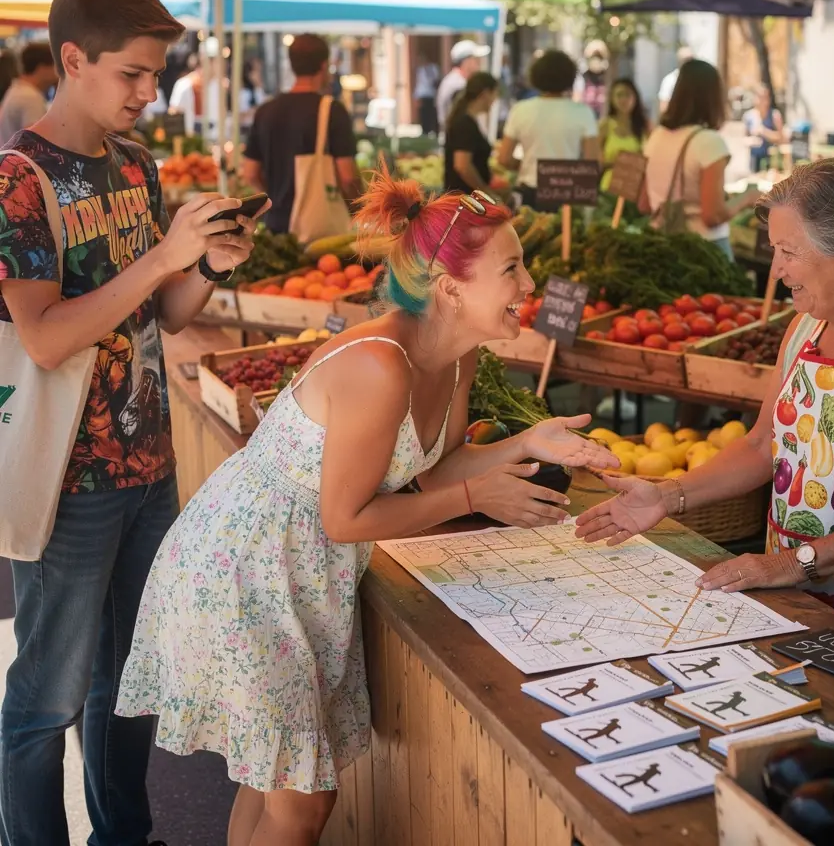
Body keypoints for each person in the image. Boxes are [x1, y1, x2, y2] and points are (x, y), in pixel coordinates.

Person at [115, 173, 618, 846]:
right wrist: (474, 496)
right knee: (303, 807)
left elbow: (430, 464)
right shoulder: (381, 366)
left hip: (296, 572)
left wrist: (526, 441)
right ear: (451, 289)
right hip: (244, 573)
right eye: (513, 268)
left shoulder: (458, 358)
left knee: (274, 787)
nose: (530, 284)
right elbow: (345, 519)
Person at [0, 0, 265, 846]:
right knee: (48, 697)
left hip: (150, 464)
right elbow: (45, 338)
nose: (151, 94)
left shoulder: (138, 166)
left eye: (156, 75)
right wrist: (161, 259)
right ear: (73, 59)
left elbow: (162, 317)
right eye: (133, 75)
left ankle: (124, 835)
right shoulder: (18, 180)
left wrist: (209, 264)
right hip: (67, 481)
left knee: (132, 684)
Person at [577, 159, 834, 677]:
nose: (776, 269)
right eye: (775, 250)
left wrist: (793, 563)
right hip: (804, 595)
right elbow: (762, 443)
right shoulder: (806, 328)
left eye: (790, 252)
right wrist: (669, 494)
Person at [242, 34, 359, 235]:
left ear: (292, 65)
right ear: (324, 66)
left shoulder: (265, 111)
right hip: (321, 230)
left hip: (277, 227)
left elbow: (250, 173)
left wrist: (275, 199)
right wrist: (360, 208)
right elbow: (347, 177)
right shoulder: (332, 111)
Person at [642, 59, 758, 258]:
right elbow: (712, 215)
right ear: (713, 98)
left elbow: (644, 203)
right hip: (704, 249)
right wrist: (747, 199)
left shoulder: (656, 137)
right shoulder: (709, 142)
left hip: (661, 245)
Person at [497, 50, 600, 209]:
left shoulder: (520, 110)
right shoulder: (583, 113)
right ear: (570, 77)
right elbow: (593, 163)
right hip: (569, 193)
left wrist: (528, 165)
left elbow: (503, 158)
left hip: (529, 193)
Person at [444, 71, 499, 194]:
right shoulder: (464, 124)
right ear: (485, 94)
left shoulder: (467, 121)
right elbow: (462, 166)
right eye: (495, 94)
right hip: (464, 200)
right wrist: (485, 192)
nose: (495, 100)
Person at [0, 42, 58, 145]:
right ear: (42, 68)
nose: (59, 72)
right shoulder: (30, 98)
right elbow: (37, 144)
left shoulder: (17, 89)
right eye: (56, 65)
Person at [598, 77, 650, 191]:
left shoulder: (645, 126)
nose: (624, 99)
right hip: (609, 185)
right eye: (619, 95)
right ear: (612, 99)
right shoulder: (605, 126)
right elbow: (596, 161)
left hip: (637, 186)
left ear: (635, 98)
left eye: (627, 95)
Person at [436, 40, 490, 128]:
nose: (480, 62)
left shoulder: (458, 81)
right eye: (476, 59)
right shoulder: (458, 85)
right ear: (466, 62)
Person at [743, 83, 786, 173]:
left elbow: (782, 138)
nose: (762, 101)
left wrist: (764, 132)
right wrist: (750, 141)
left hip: (772, 161)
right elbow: (744, 138)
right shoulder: (748, 116)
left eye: (765, 97)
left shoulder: (775, 115)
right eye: (760, 97)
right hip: (754, 160)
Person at [577, 39, 610, 119]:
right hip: (585, 115)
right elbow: (578, 97)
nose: (596, 60)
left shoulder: (607, 76)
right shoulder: (583, 76)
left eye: (599, 57)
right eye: (593, 57)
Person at [658, 46, 694, 117]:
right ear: (679, 61)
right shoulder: (670, 80)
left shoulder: (698, 80)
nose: (689, 62)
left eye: (691, 60)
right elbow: (663, 107)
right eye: (686, 59)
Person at [414, 52, 441, 134]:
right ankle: (425, 130)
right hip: (423, 95)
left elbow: (436, 80)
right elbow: (419, 83)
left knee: (431, 113)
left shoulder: (433, 68)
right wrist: (416, 95)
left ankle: (432, 129)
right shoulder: (420, 70)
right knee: (423, 114)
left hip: (431, 94)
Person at [239, 57, 268, 130]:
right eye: (256, 71)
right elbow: (241, 115)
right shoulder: (243, 93)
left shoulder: (259, 91)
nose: (259, 75)